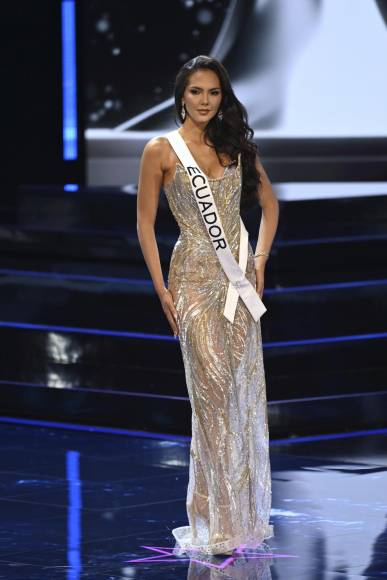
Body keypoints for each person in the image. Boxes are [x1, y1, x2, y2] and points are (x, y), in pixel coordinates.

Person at [136, 55, 279, 557]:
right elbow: (145, 224)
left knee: (237, 394)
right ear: (182, 95)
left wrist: (259, 258)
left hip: (236, 280)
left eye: (213, 93)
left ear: (223, 97)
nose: (204, 101)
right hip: (192, 280)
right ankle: (217, 522)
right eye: (196, 91)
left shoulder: (233, 145)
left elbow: (269, 204)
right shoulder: (160, 150)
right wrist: (161, 289)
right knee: (212, 394)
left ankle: (235, 518)